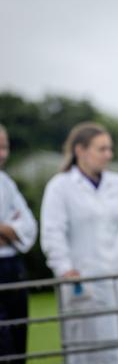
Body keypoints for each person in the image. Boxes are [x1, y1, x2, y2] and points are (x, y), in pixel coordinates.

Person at [40, 122, 118, 364]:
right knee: (92, 352)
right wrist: (64, 268)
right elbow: (53, 233)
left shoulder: (117, 182)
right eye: (102, 149)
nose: (109, 155)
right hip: (85, 281)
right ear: (80, 151)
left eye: (109, 149)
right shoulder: (60, 187)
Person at [0, 124, 37, 363]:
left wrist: (7, 230)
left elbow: (29, 226)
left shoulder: (6, 183)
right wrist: (10, 228)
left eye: (5, 146)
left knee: (18, 340)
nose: (3, 153)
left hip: (13, 268)